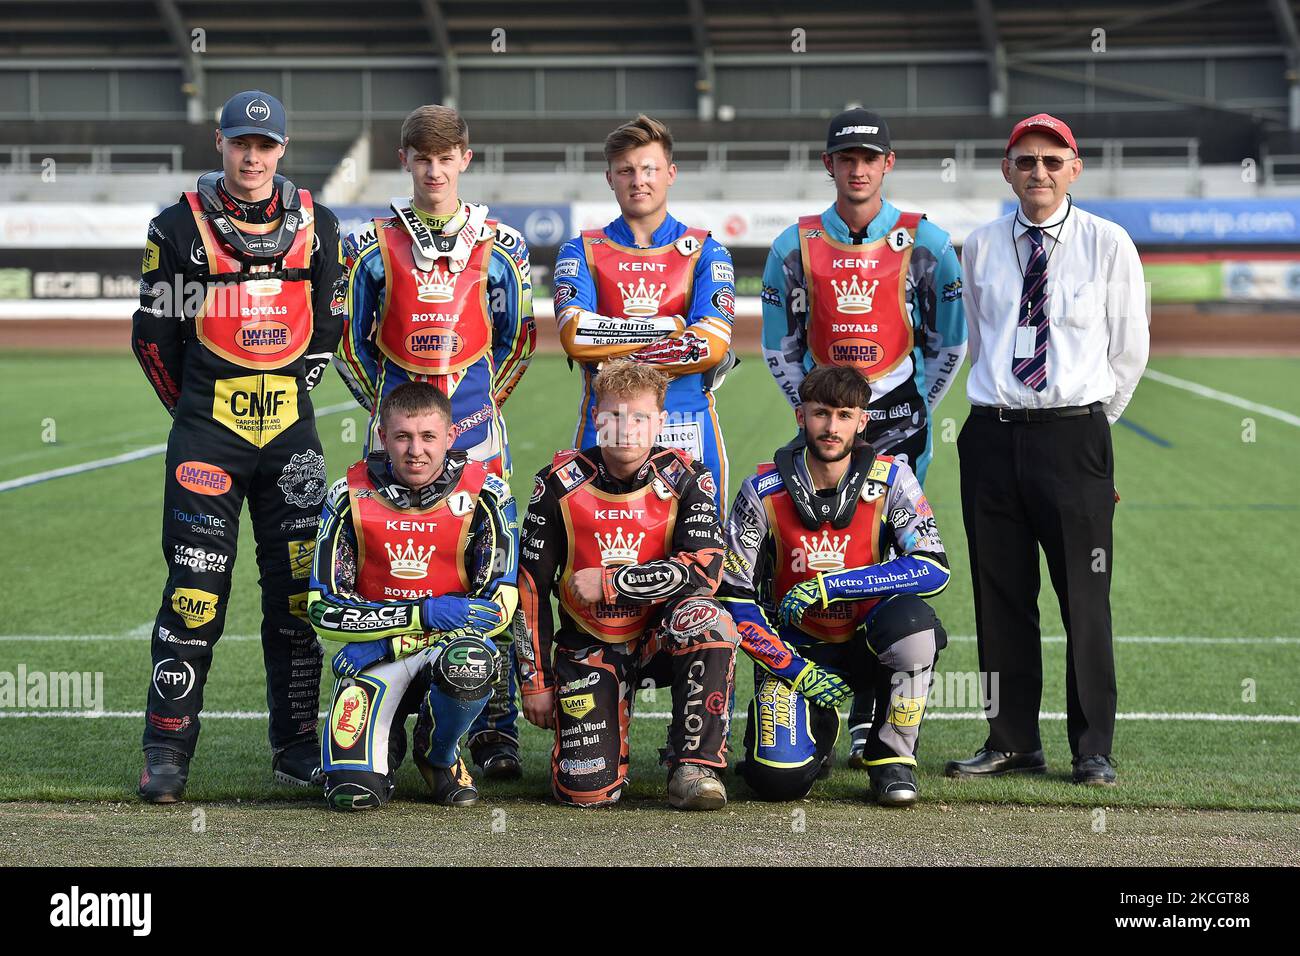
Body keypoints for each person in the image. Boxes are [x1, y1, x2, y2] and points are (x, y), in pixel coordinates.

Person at [131, 90, 345, 803]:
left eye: (266, 145)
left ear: (283, 150)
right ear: (220, 143)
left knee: (297, 603)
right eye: (240, 143)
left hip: (294, 443)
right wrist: (197, 414)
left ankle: (294, 749)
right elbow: (153, 339)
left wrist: (286, 394)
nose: (253, 157)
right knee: (195, 596)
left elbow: (330, 323)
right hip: (207, 442)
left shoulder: (321, 226)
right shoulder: (176, 229)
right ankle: (166, 750)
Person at [945, 113, 1149, 787]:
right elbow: (978, 336)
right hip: (993, 435)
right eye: (1026, 161)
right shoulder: (979, 245)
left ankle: (1093, 746)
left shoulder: (1107, 243)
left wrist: (1088, 424)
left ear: (1074, 168)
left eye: (1051, 161)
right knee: (1000, 596)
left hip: (1074, 437)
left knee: (1084, 597)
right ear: (1008, 170)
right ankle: (1011, 740)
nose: (1038, 172)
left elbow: (1129, 348)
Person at [761, 108, 967, 767]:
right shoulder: (793, 244)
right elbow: (778, 346)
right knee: (820, 550)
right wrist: (821, 411)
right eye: (845, 158)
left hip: (901, 422)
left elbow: (950, 340)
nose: (857, 169)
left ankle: (875, 722)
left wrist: (912, 407)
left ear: (888, 164)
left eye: (869, 158)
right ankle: (812, 697)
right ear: (828, 165)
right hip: (828, 427)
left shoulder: (926, 239)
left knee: (888, 559)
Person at [334, 104, 535, 779]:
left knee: (491, 576)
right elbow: (349, 345)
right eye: (422, 157)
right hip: (396, 443)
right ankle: (385, 711)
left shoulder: (503, 245)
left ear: (464, 160)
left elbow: (517, 344)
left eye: (445, 157)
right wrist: (394, 421)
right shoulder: (370, 243)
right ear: (406, 161)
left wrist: (461, 427)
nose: (434, 169)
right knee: (389, 566)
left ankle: (494, 733)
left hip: (479, 442)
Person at [720, 365, 950, 805]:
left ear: (862, 421)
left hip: (868, 643)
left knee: (916, 631)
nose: (831, 427)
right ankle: (819, 730)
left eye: (845, 414)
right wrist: (796, 670)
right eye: (821, 413)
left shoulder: (893, 479)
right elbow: (733, 599)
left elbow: (932, 565)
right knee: (776, 783)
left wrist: (835, 585)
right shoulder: (761, 491)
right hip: (795, 651)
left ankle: (892, 759)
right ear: (800, 416)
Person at [514, 360, 739, 809]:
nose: (626, 429)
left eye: (639, 417)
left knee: (710, 621)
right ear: (596, 417)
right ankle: (601, 758)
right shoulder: (556, 484)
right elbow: (531, 589)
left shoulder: (688, 479)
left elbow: (705, 571)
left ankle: (694, 767)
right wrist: (535, 680)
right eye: (614, 416)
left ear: (660, 422)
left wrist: (613, 583)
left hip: (661, 636)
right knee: (585, 791)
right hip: (591, 642)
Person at [307, 382, 518, 810]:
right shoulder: (346, 495)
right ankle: (385, 748)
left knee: (473, 660)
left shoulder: (488, 496)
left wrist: (394, 638)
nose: (415, 450)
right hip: (376, 658)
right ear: (382, 437)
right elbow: (323, 608)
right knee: (353, 796)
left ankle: (437, 754)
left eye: (428, 437)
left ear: (451, 437)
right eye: (402, 436)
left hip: (419, 649)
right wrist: (424, 615)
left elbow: (498, 608)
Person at [552, 114, 737, 513]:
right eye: (626, 170)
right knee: (596, 552)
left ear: (670, 173)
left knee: (700, 560)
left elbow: (711, 345)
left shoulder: (707, 250)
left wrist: (613, 351)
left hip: (689, 428)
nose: (639, 180)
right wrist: (673, 328)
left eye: (649, 169)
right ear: (610, 178)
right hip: (606, 428)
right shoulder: (580, 251)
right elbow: (574, 335)